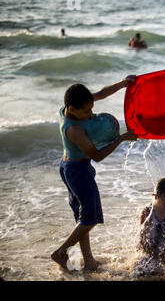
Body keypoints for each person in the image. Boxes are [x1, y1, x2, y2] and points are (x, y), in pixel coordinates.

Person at [51, 77, 137, 271]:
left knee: (82, 218)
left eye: (91, 108)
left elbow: (102, 93)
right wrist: (122, 138)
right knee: (90, 217)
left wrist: (123, 83)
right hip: (77, 171)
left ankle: (89, 261)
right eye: (86, 111)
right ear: (72, 110)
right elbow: (97, 156)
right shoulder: (74, 130)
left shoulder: (71, 105)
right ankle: (61, 251)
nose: (91, 114)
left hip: (69, 166)